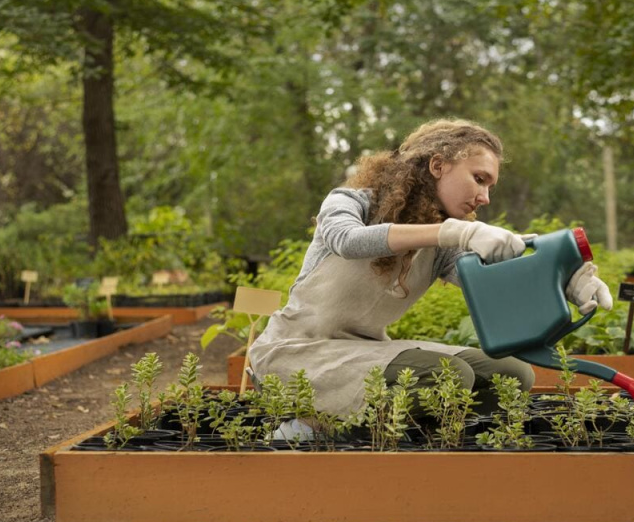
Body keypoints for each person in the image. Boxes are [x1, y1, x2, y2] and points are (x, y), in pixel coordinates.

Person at [248, 118, 613, 428]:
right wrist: (455, 232)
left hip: (363, 352)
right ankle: (313, 429)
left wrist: (564, 280)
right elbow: (348, 240)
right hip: (296, 353)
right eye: (479, 178)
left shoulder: (441, 246)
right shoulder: (351, 202)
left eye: (490, 186)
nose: (485, 197)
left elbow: (496, 285)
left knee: (513, 375)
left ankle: (422, 442)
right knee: (450, 375)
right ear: (438, 166)